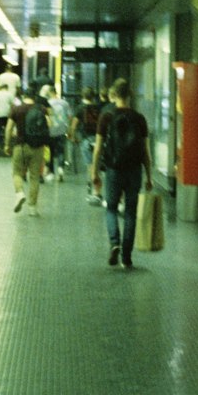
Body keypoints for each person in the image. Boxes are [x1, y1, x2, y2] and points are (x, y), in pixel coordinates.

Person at [91, 78, 152, 269]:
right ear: (130, 95)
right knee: (131, 213)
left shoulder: (107, 117)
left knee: (111, 208)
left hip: (113, 169)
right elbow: (145, 150)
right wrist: (149, 175)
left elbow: (98, 147)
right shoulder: (139, 118)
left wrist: (94, 173)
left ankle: (114, 242)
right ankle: (126, 257)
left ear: (114, 95)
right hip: (134, 170)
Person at [4, 84, 49, 215]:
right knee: (34, 177)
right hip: (37, 147)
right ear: (35, 97)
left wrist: (7, 144)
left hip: (20, 146)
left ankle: (19, 193)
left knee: (17, 173)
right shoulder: (41, 109)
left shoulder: (16, 109)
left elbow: (8, 128)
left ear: (24, 96)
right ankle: (32, 208)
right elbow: (49, 125)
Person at [72, 86, 102, 203]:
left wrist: (73, 137)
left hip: (86, 140)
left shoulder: (80, 108)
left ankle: (96, 192)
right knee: (97, 165)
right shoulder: (99, 108)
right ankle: (96, 188)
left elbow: (74, 125)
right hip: (99, 138)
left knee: (91, 166)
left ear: (82, 95)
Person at [40, 82, 70, 181]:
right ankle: (60, 168)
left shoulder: (47, 104)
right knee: (61, 151)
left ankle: (51, 171)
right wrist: (69, 129)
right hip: (62, 130)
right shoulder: (64, 103)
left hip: (50, 131)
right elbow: (70, 117)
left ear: (49, 93)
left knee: (51, 152)